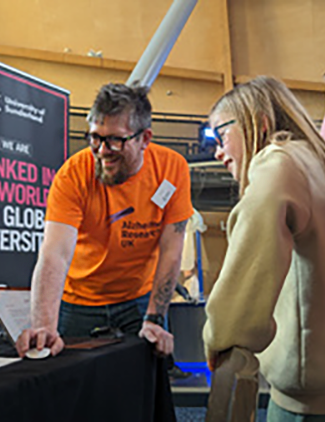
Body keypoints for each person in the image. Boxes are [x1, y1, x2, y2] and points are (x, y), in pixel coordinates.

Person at [202, 76, 325, 420]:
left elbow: (246, 275)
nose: (218, 152)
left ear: (259, 122)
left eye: (220, 135)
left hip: (310, 395)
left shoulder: (278, 164)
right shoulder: (318, 161)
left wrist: (220, 335)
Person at [15, 83, 193, 358]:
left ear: (145, 138)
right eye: (95, 138)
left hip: (139, 299)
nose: (102, 151)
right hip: (78, 303)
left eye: (115, 140)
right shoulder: (73, 175)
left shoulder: (172, 168)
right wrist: (43, 327)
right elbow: (54, 254)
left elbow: (171, 250)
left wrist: (155, 318)